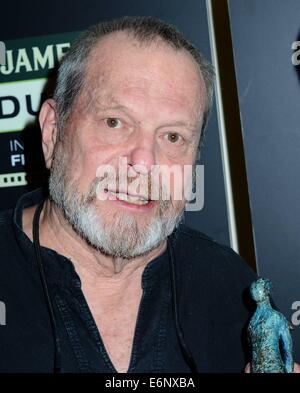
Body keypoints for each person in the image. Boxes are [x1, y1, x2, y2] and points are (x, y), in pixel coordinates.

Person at [0, 16, 256, 373]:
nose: (143, 163)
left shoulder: (235, 289)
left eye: (172, 137)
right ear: (52, 132)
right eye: (114, 122)